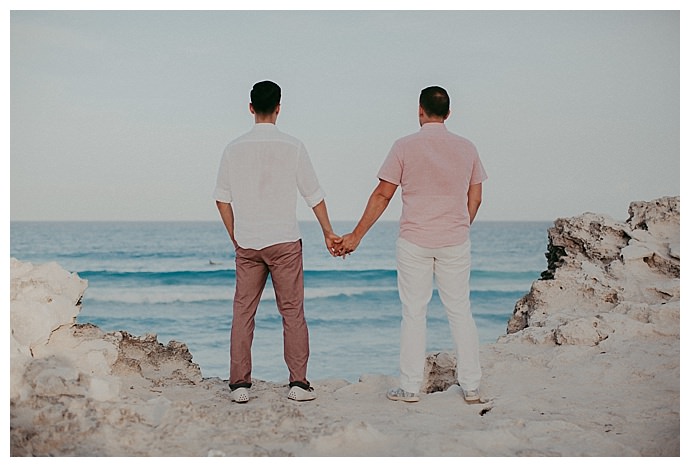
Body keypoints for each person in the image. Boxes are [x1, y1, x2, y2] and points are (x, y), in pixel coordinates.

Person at [337, 86, 487, 404]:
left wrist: (356, 236)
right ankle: (472, 386)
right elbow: (475, 196)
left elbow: (382, 194)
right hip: (455, 241)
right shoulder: (467, 148)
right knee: (460, 310)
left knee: (414, 313)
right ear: (448, 113)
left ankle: (410, 387)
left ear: (420, 110)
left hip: (415, 241)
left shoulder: (404, 146)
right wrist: (460, 225)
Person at [213, 80, 341, 403]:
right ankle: (298, 384)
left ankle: (239, 385)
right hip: (284, 240)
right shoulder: (293, 146)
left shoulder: (233, 148)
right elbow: (314, 195)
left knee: (243, 312)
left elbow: (221, 200)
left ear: (251, 107)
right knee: (292, 312)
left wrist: (235, 236)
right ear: (279, 108)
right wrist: (328, 232)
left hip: (249, 242)